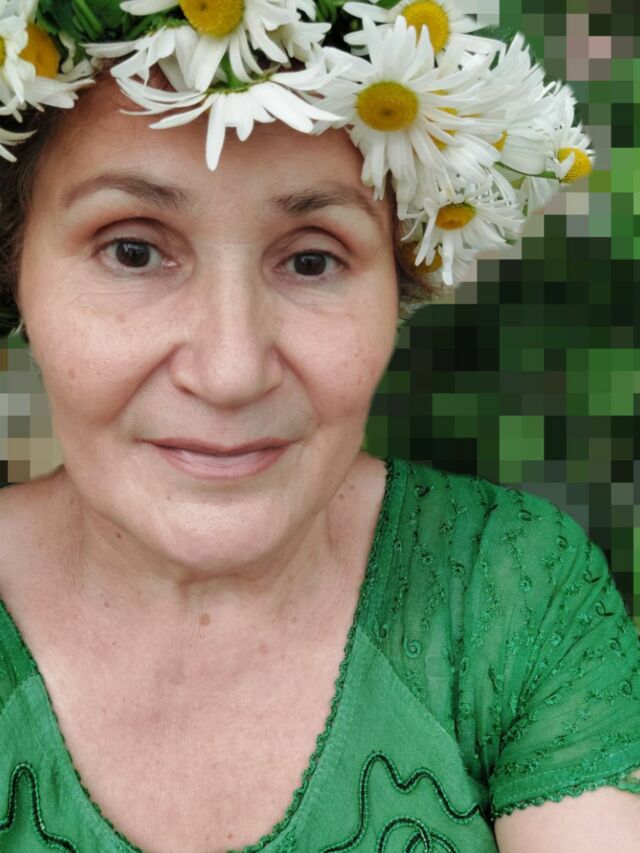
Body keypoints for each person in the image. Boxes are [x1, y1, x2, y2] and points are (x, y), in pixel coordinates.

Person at [0, 2, 638, 851]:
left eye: (311, 259)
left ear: (401, 285)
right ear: (14, 269)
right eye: (133, 250)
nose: (231, 370)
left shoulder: (511, 593)